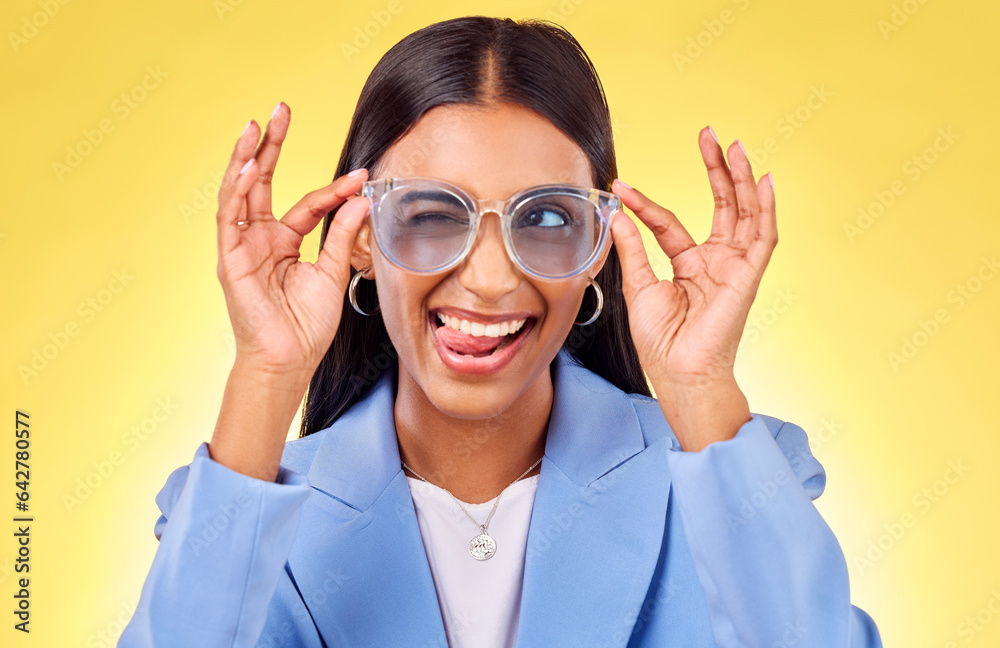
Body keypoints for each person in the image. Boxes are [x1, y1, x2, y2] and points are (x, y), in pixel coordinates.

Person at [119, 15, 882, 648]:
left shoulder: (728, 477)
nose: (489, 278)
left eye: (547, 218)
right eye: (429, 214)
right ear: (357, 237)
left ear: (598, 251)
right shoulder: (240, 507)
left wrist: (701, 390)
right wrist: (266, 374)